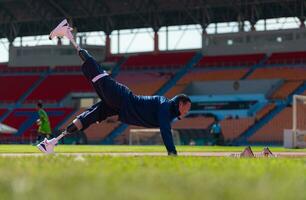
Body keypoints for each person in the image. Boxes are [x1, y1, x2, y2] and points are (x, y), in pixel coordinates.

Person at [37, 19, 192, 155]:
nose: (188, 111)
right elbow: (165, 129)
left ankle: (50, 143)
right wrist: (172, 152)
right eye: (187, 107)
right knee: (96, 71)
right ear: (181, 104)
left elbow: (165, 124)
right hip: (121, 98)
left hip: (118, 107)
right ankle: (69, 36)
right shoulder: (165, 106)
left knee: (88, 118)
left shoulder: (167, 110)